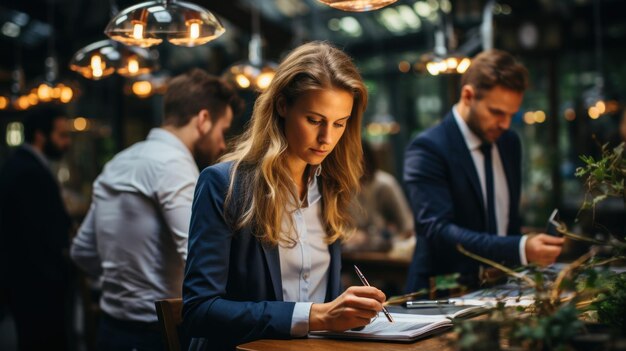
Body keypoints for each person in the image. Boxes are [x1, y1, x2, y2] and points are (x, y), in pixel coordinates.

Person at [182, 41, 386, 350]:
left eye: (339, 123)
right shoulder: (224, 185)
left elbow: (322, 298)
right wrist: (316, 316)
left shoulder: (331, 187)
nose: (326, 138)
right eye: (314, 120)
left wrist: (347, 311)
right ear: (281, 106)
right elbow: (200, 310)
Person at [70, 69, 243, 351]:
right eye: (223, 131)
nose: (223, 144)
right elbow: (198, 259)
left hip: (110, 330)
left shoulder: (119, 161)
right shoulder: (173, 165)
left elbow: (82, 252)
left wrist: (127, 285)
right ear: (203, 120)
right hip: (156, 335)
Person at [403, 49, 565, 292]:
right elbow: (438, 231)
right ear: (468, 96)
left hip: (502, 290)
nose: (505, 124)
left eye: (512, 114)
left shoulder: (509, 143)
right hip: (442, 295)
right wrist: (519, 248)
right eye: (497, 112)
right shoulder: (428, 148)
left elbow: (507, 221)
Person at [0, 106, 72, 351]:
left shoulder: (20, 165)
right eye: (62, 135)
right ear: (41, 136)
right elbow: (39, 232)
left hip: (27, 282)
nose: (67, 143)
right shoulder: (29, 171)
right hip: (37, 285)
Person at [343, 141, 415, 257]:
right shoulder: (344, 188)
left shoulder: (384, 184)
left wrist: (381, 237)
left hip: (384, 255)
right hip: (352, 256)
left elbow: (406, 227)